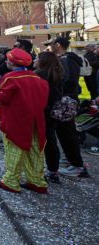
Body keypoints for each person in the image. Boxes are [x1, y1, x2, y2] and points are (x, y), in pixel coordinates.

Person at [0, 48, 49, 194]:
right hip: (36, 120)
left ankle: (11, 181)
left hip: (16, 119)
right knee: (35, 150)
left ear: (12, 63)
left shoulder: (10, 78)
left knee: (15, 149)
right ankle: (37, 181)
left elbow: (4, 98)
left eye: (8, 60)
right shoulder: (39, 79)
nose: (6, 62)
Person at [50, 37, 88, 177]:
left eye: (52, 45)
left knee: (67, 132)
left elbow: (69, 81)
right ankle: (72, 159)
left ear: (58, 45)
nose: (50, 47)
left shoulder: (66, 60)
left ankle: (77, 165)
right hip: (66, 99)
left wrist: (56, 88)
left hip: (65, 100)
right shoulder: (66, 59)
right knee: (64, 132)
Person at [35, 51, 69, 184]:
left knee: (37, 141)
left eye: (37, 58)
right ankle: (53, 170)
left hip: (41, 111)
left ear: (43, 61)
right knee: (51, 141)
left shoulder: (38, 75)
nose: (35, 60)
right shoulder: (58, 74)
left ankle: (36, 171)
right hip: (53, 112)